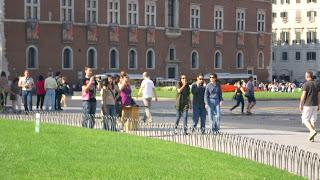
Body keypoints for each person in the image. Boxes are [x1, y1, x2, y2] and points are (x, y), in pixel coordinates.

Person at [299, 71, 320, 142]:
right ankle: (312, 137)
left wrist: (301, 105)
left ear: (307, 76)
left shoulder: (305, 84)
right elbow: (318, 96)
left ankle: (312, 131)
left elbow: (303, 96)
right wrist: (319, 105)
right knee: (312, 120)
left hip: (308, 104)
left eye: (305, 75)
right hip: (315, 104)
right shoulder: (317, 84)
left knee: (304, 119)